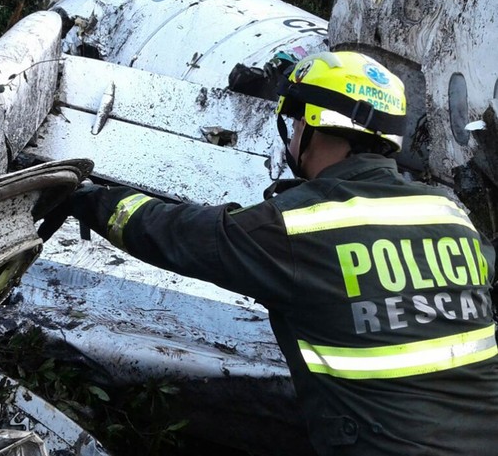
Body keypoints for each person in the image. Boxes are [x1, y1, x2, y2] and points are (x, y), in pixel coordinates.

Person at [38, 51, 498, 456]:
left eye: (298, 121)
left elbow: (181, 235)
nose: (294, 132)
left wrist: (89, 200)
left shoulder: (299, 226)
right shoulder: (450, 214)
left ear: (314, 123)